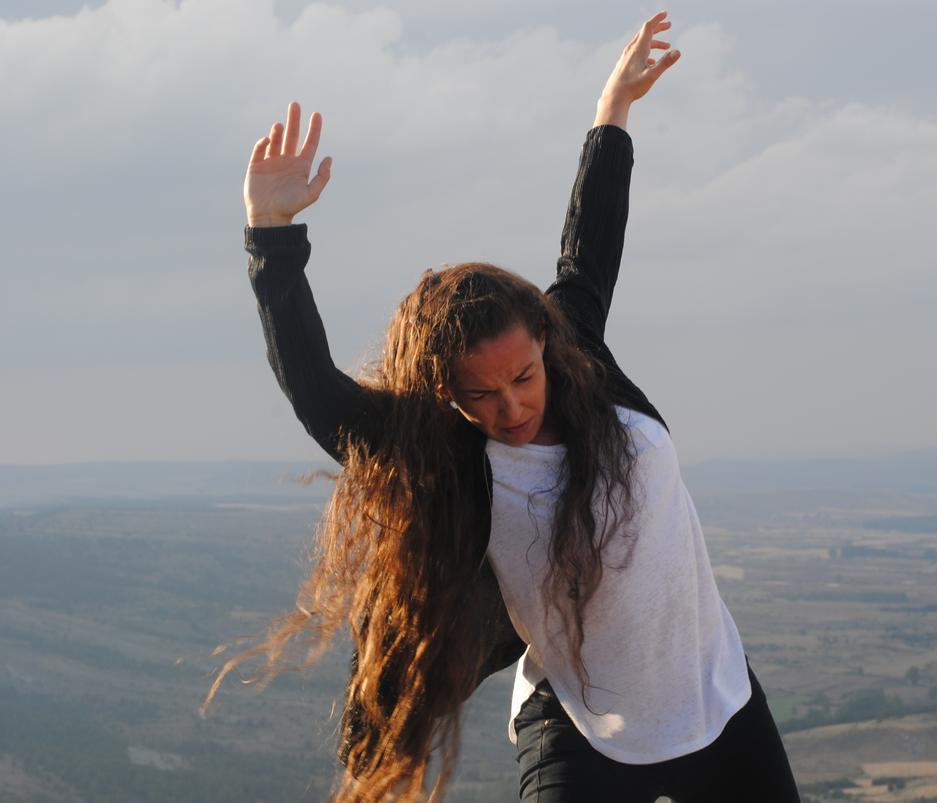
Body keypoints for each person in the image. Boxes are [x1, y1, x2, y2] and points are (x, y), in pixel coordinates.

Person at [215, 11, 800, 803]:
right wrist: (271, 231)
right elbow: (317, 390)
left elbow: (590, 239)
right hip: (583, 727)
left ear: (544, 346)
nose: (512, 404)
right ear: (446, 394)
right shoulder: (449, 454)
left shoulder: (579, 350)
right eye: (480, 394)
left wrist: (612, 111)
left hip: (720, 701)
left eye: (524, 376)